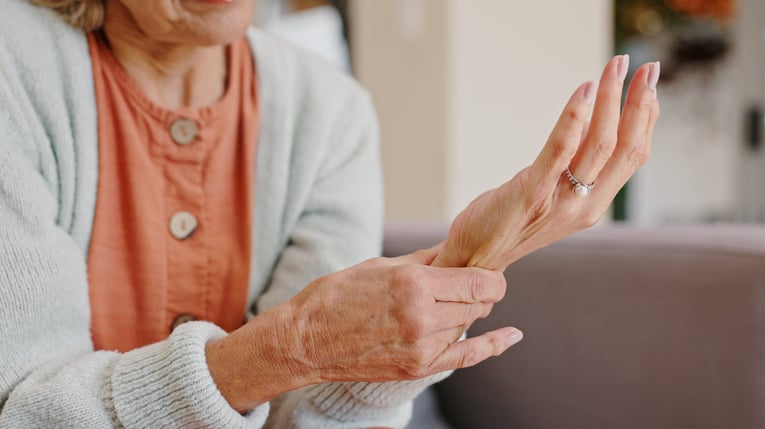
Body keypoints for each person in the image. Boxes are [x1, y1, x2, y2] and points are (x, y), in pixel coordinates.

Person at [0, 0, 660, 427]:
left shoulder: (329, 112)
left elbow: (309, 418)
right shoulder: (13, 68)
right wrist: (289, 345)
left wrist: (458, 273)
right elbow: (22, 410)